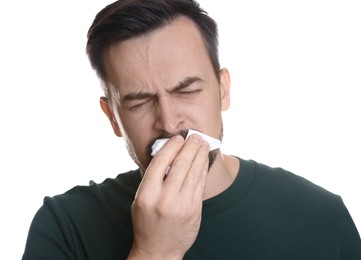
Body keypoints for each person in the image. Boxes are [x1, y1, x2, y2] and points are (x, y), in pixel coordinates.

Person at [22, 0, 361, 259]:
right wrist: (156, 251)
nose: (169, 123)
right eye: (139, 102)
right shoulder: (64, 225)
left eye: (187, 90)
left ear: (223, 89)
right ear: (112, 117)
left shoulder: (321, 217)